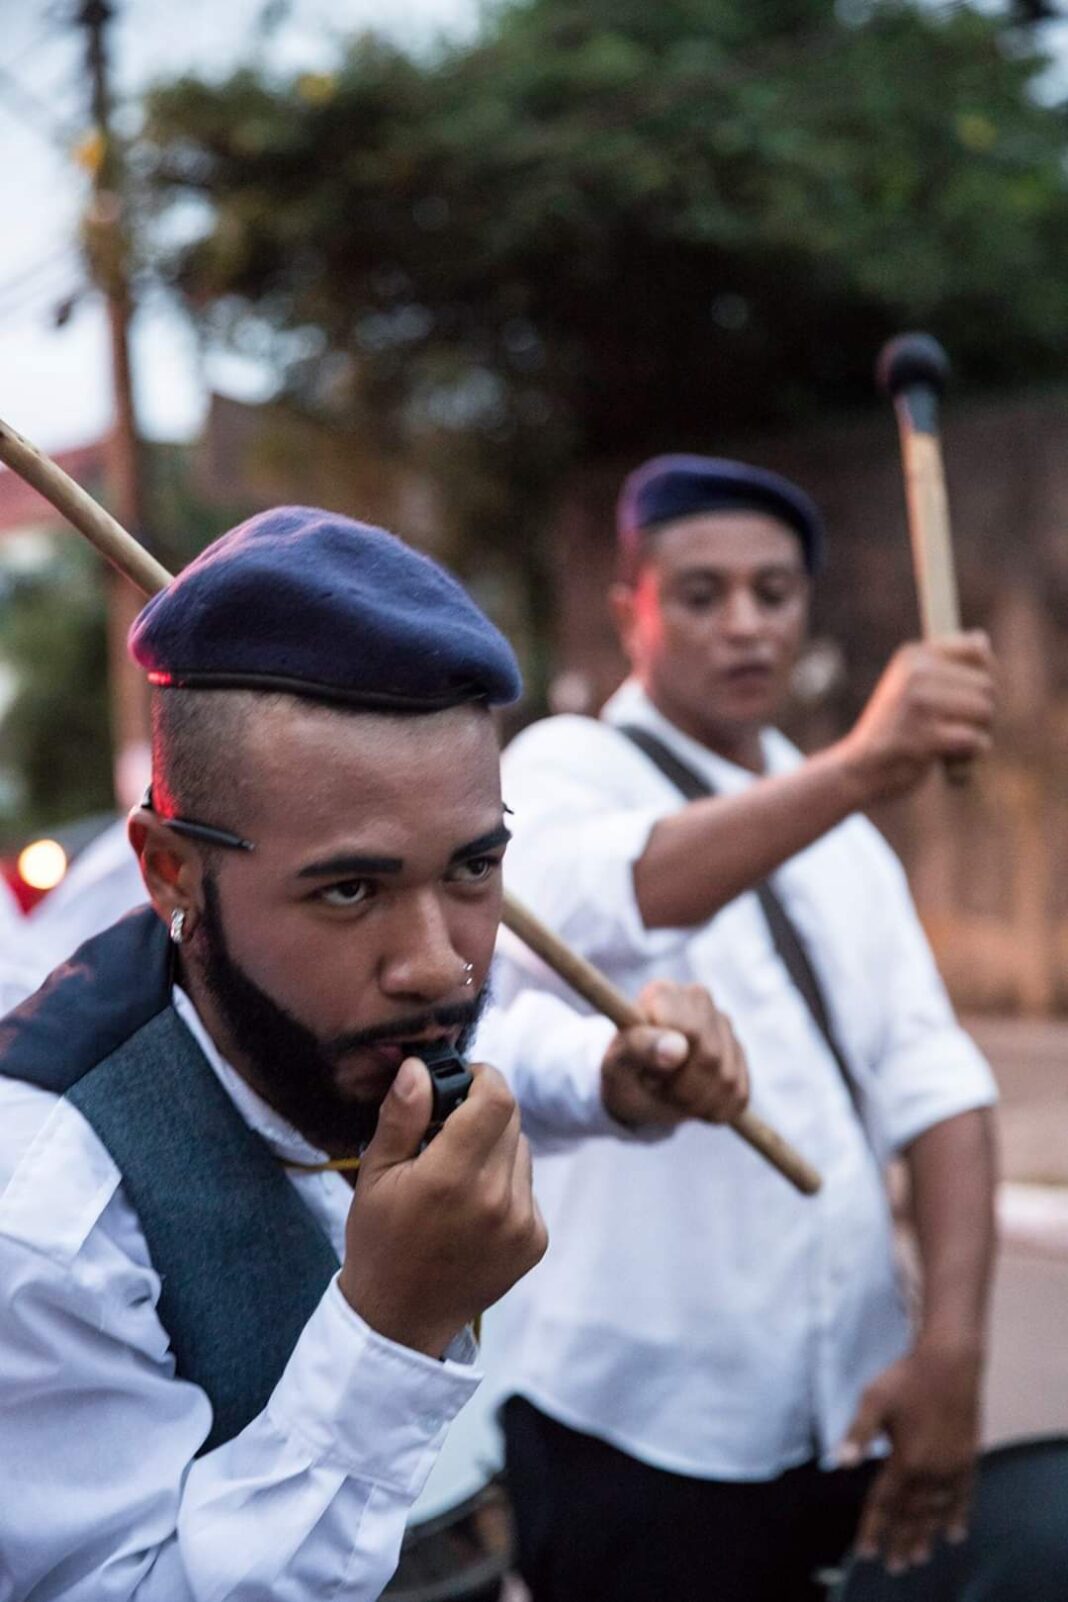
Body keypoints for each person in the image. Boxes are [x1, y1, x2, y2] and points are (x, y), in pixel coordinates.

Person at [0, 504, 748, 1602]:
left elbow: (496, 1050)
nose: (439, 968)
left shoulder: (354, 1014)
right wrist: (390, 1331)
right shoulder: (45, 1215)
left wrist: (615, 1077)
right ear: (170, 872)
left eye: (472, 868)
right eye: (351, 889)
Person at [490, 455, 999, 1602]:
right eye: (701, 593)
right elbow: (617, 892)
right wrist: (864, 765)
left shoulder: (848, 836)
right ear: (630, 611)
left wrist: (953, 1349)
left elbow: (937, 1083)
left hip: (846, 1411)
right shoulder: (561, 769)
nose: (745, 624)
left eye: (774, 593)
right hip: (633, 1433)